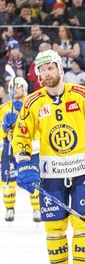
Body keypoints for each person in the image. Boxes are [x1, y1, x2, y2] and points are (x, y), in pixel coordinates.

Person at [13, 50, 85, 264]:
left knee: (83, 222)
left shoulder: (82, 94)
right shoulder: (33, 102)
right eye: (42, 70)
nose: (47, 74)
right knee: (54, 225)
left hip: (83, 171)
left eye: (51, 68)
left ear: (59, 68)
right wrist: (24, 163)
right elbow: (22, 135)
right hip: (51, 173)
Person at [2, 77, 40, 222]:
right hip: (10, 147)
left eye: (18, 86)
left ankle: (37, 208)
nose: (15, 89)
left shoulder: (33, 105)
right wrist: (5, 127)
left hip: (31, 148)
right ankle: (9, 208)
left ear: (25, 88)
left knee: (33, 177)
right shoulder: (4, 108)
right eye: (12, 87)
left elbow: (40, 126)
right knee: (8, 179)